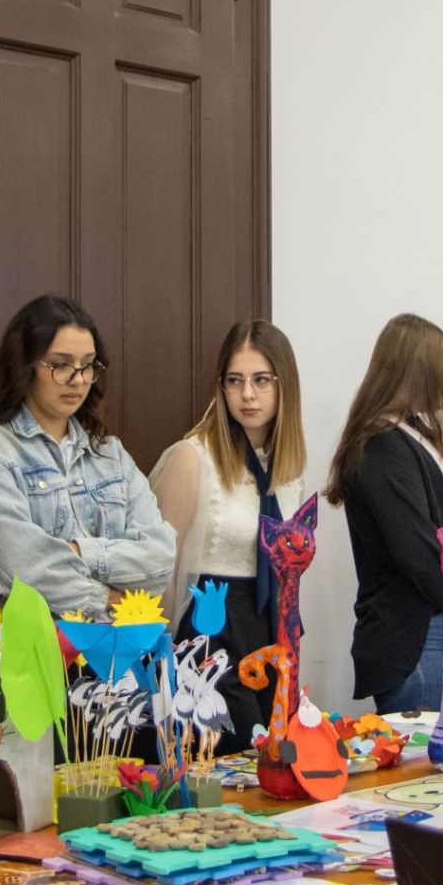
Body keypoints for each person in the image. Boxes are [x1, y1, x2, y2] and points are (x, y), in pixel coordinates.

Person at [323, 314, 443, 713]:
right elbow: (423, 555)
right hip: (419, 635)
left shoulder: (415, 436)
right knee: (433, 751)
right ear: (418, 370)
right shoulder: (382, 446)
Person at [0, 295, 175, 617]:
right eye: (60, 365)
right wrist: (109, 598)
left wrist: (79, 552)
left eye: (88, 365)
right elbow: (28, 569)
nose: (78, 379)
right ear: (24, 365)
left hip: (116, 646)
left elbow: (160, 560)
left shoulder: (110, 454)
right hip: (30, 643)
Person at [150, 320, 310, 747]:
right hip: (210, 632)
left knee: (274, 760)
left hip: (269, 633)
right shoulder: (192, 458)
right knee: (232, 758)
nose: (248, 395)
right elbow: (160, 573)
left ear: (285, 385)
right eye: (235, 381)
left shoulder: (289, 469)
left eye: (261, 380)